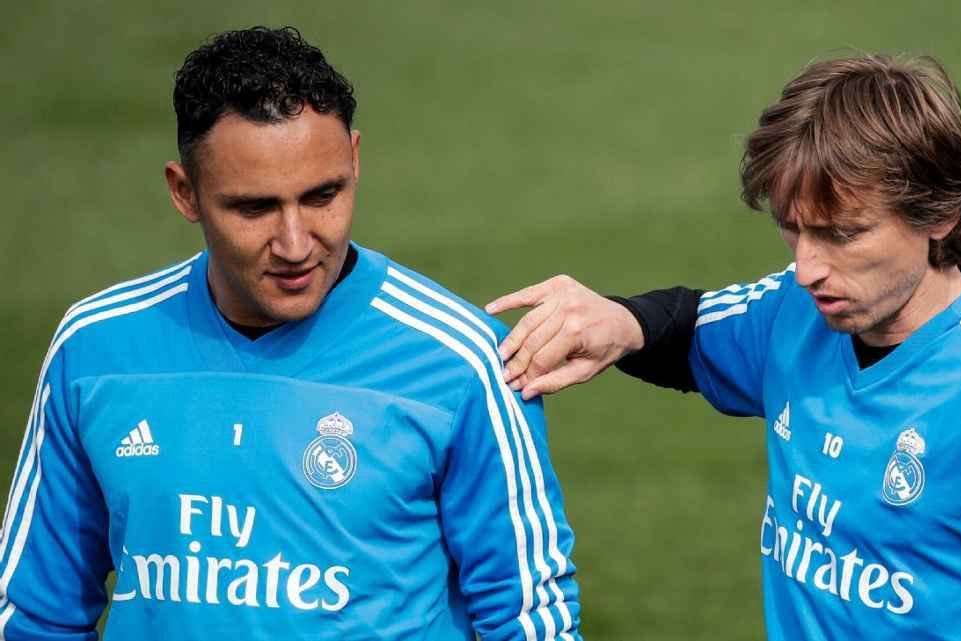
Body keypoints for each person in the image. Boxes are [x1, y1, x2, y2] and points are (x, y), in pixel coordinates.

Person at [486, 54, 961, 639]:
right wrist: (617, 321)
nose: (806, 269)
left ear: (940, 215)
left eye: (842, 234)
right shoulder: (794, 315)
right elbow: (686, 330)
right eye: (792, 229)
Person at [0, 26, 580, 641]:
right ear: (185, 193)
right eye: (255, 208)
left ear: (354, 161)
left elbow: (529, 622)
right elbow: (36, 616)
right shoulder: (95, 349)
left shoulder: (462, 363)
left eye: (323, 195)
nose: (297, 244)